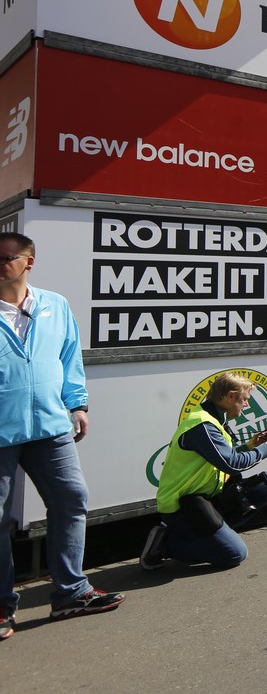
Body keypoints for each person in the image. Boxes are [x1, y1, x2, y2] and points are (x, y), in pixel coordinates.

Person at [0, 232, 124, 640]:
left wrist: (78, 404)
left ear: (29, 262)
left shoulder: (55, 304)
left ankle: (71, 593)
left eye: (6, 258)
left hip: (49, 425)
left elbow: (70, 357)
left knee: (71, 500)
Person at [141, 372, 267, 571]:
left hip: (206, 498)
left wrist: (251, 446)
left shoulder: (214, 418)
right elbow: (231, 464)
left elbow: (224, 458)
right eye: (245, 399)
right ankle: (165, 544)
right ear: (230, 396)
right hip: (181, 506)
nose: (247, 405)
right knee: (235, 554)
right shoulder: (203, 425)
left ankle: (213, 536)